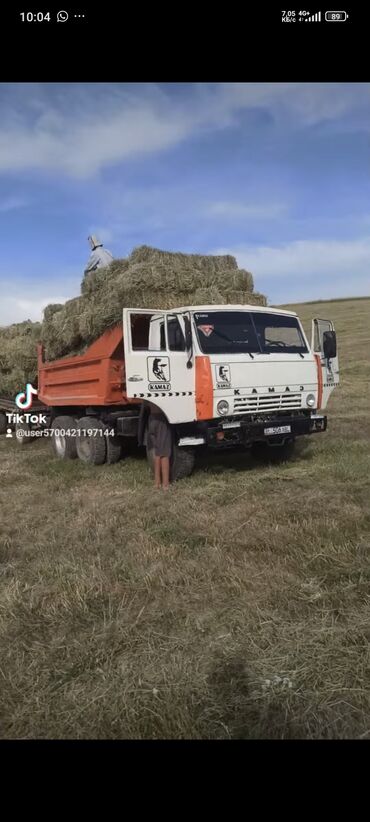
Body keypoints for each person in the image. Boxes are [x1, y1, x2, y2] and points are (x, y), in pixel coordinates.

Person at [138, 400, 172, 490]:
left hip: (152, 418)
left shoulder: (148, 391)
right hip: (161, 418)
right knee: (164, 452)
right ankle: (165, 484)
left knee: (157, 452)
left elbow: (145, 405)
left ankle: (157, 483)